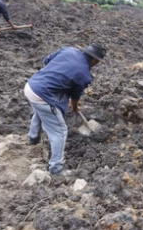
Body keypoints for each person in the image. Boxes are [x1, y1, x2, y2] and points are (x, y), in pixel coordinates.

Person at [24, 44, 106, 175]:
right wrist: (74, 107)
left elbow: (46, 60)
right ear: (95, 60)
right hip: (42, 94)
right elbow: (75, 95)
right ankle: (56, 168)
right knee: (60, 131)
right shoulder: (84, 74)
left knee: (42, 111)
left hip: (31, 86)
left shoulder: (69, 50)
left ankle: (33, 138)